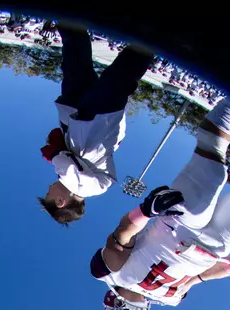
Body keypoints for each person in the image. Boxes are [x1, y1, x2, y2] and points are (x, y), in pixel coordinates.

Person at [90, 95, 230, 310]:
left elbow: (121, 237)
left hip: (178, 226)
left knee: (212, 168)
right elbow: (200, 277)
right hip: (214, 248)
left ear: (115, 304)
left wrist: (145, 211)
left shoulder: (111, 275)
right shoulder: (170, 300)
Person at [38, 23, 156, 222]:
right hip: (97, 121)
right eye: (49, 193)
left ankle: (69, 22)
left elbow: (72, 160)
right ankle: (151, 37)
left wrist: (59, 147)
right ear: (61, 201)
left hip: (77, 115)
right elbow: (67, 165)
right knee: (118, 77)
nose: (49, 188)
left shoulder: (84, 183)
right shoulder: (86, 187)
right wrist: (54, 153)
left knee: (75, 64)